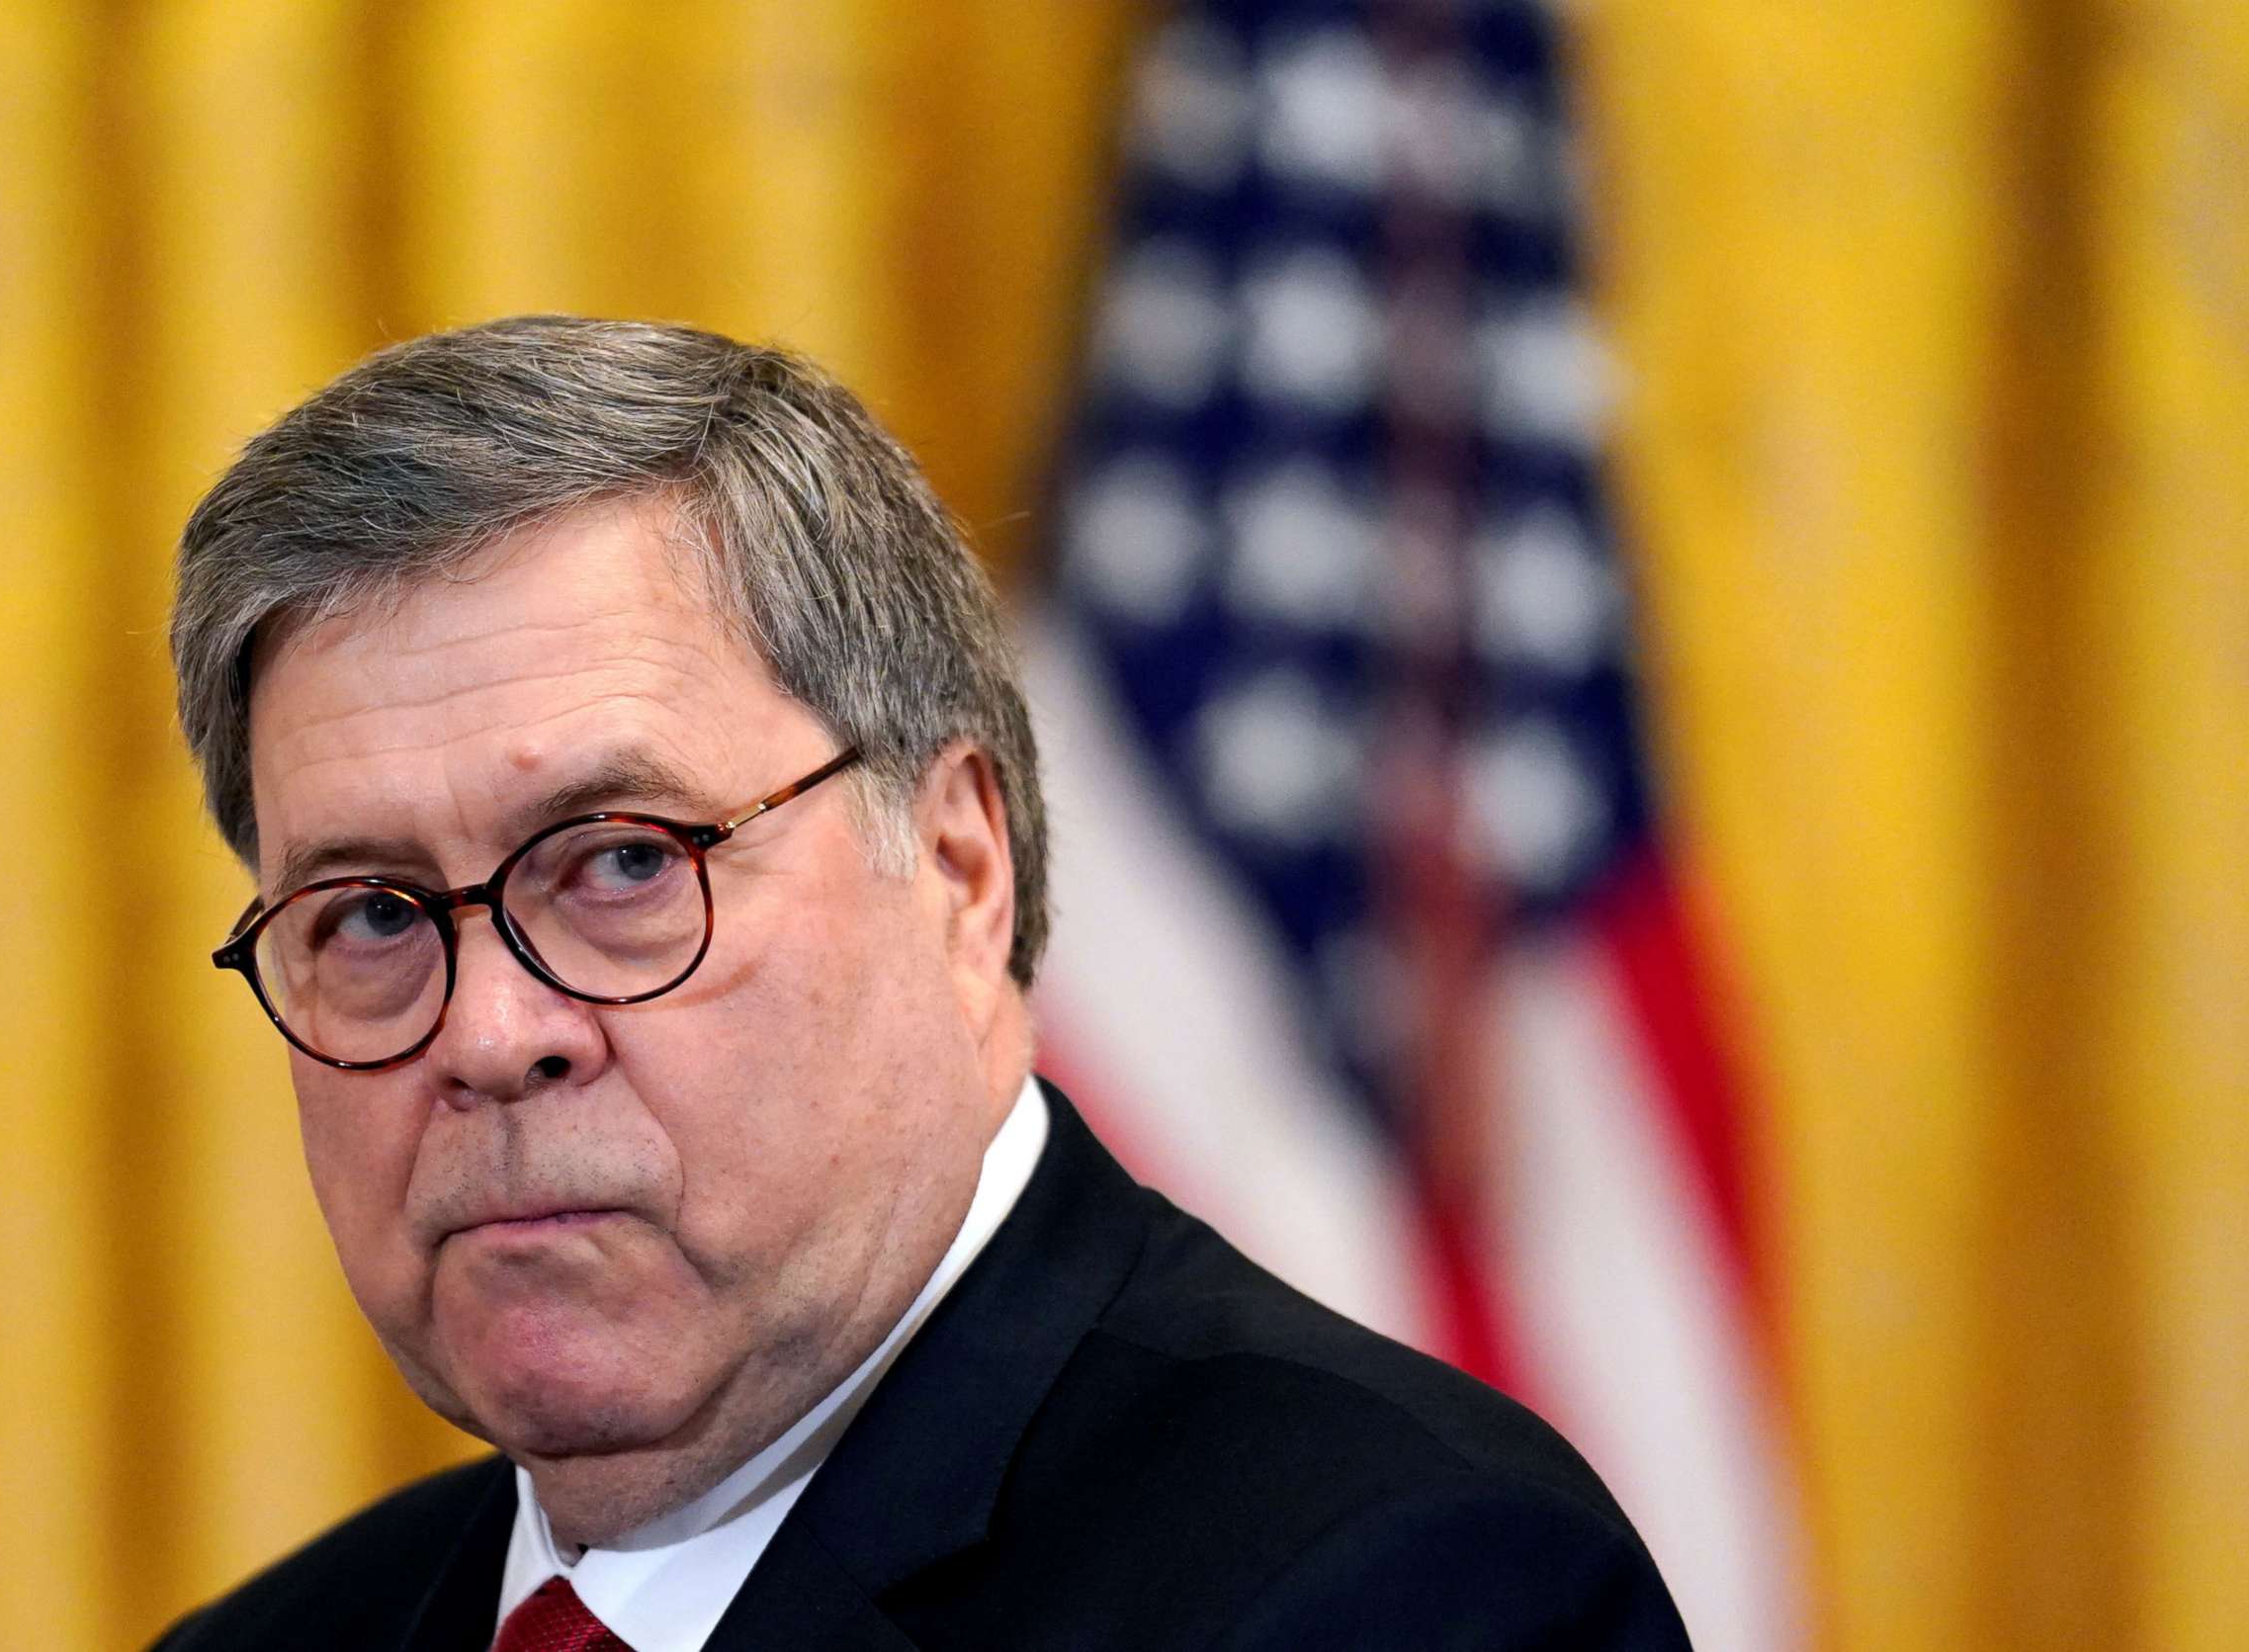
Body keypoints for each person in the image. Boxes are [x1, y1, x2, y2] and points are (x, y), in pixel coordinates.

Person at [151, 316, 1690, 1652]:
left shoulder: (1405, 1595)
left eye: (621, 865)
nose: (490, 1032)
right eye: (369, 916)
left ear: (961, 869)